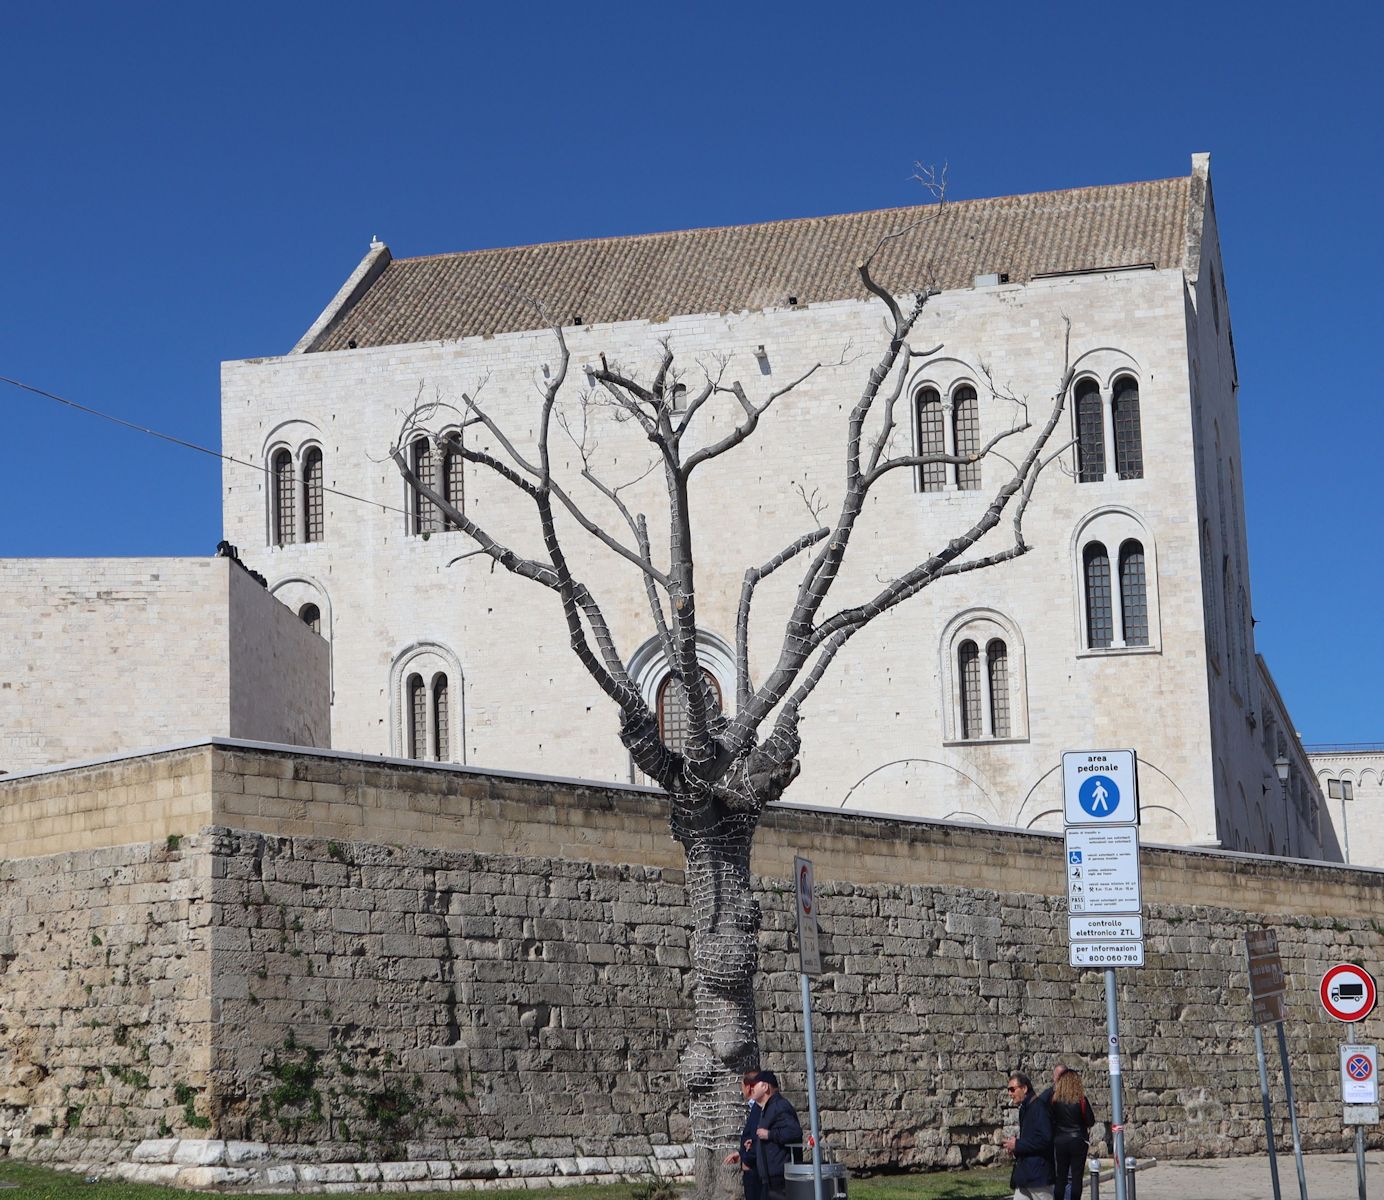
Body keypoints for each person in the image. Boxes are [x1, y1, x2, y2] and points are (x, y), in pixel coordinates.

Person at [1003, 1072, 1056, 1200]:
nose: (1010, 1093)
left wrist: (1018, 1144)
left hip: (1038, 1177)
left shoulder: (1040, 1108)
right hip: (1025, 1175)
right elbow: (1029, 1139)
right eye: (1008, 1090)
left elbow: (1046, 1140)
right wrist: (1016, 1148)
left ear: (1024, 1088)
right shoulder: (1024, 1109)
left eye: (1012, 1089)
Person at [751, 1070, 802, 1200]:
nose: (751, 1088)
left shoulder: (779, 1106)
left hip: (779, 1179)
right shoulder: (768, 1107)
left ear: (765, 1087)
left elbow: (794, 1132)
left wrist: (769, 1134)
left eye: (754, 1085)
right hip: (769, 1178)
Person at [1050, 1068, 1096, 1200]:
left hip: (1060, 1140)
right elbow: (1090, 1121)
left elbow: (1052, 1119)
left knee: (1060, 1177)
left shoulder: (1054, 1101)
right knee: (1076, 1177)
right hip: (1078, 1140)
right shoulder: (1081, 1100)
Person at [723, 1070, 761, 1200]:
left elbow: (756, 1137)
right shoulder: (754, 1107)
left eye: (742, 1086)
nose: (741, 1091)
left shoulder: (759, 1108)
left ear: (748, 1087)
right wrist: (740, 1153)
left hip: (754, 1170)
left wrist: (747, 1158)